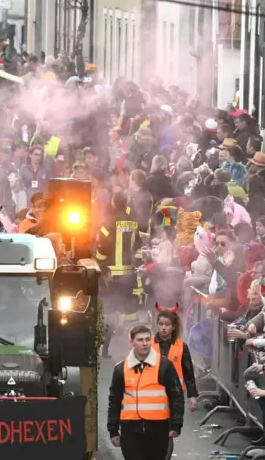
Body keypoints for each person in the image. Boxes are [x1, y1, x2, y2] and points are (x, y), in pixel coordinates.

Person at [107, 324, 183, 460]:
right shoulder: (121, 369)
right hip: (130, 430)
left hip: (158, 429)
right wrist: (113, 430)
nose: (145, 344)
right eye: (140, 340)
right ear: (131, 342)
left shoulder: (164, 366)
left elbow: (176, 396)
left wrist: (176, 424)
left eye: (148, 339)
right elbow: (114, 401)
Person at [96, 190, 141, 358]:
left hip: (111, 274)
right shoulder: (132, 222)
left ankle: (105, 350)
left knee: (109, 312)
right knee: (129, 310)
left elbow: (102, 246)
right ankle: (134, 349)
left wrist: (99, 262)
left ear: (114, 203)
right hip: (128, 274)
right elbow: (138, 245)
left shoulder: (108, 222)